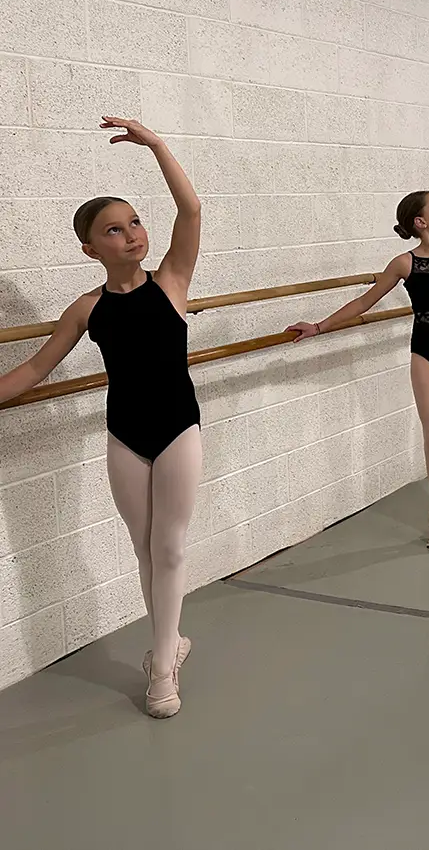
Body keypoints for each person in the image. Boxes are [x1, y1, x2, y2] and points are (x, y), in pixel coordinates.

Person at [0, 118, 202, 719]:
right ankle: (168, 644)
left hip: (178, 429)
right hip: (125, 437)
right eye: (114, 230)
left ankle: (161, 667)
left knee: (169, 548)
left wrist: (158, 145)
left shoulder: (172, 281)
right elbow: (34, 368)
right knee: (145, 549)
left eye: (135, 222)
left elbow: (190, 211)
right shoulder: (86, 309)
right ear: (91, 249)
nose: (132, 234)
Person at [287, 135, 429, 552]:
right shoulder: (404, 263)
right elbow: (364, 302)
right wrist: (320, 326)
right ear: (420, 221)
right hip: (426, 351)